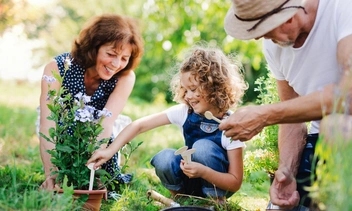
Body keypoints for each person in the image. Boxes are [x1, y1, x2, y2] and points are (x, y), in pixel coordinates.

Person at [221, 0, 352, 209]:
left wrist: (264, 115)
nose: (261, 38)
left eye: (265, 30)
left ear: (288, 16)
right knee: (281, 206)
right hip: (321, 144)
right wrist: (287, 170)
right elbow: (290, 113)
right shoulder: (274, 47)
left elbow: (346, 96)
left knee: (336, 126)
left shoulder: (343, 9)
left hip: (342, 134)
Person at [87, 46, 248, 201]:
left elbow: (235, 182)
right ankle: (180, 196)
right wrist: (109, 150)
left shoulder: (230, 125)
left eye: (193, 89)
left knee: (203, 148)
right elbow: (139, 126)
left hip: (217, 183)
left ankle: (215, 199)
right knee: (164, 158)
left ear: (213, 87)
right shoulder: (185, 112)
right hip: (190, 179)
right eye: (185, 90)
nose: (188, 96)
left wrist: (204, 172)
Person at [38, 14, 144, 190]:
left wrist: (90, 170)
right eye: (111, 54)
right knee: (61, 176)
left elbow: (106, 122)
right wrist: (52, 175)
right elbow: (47, 124)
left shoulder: (125, 77)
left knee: (106, 184)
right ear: (94, 48)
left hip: (97, 135)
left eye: (124, 58)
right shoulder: (56, 67)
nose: (116, 64)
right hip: (62, 132)